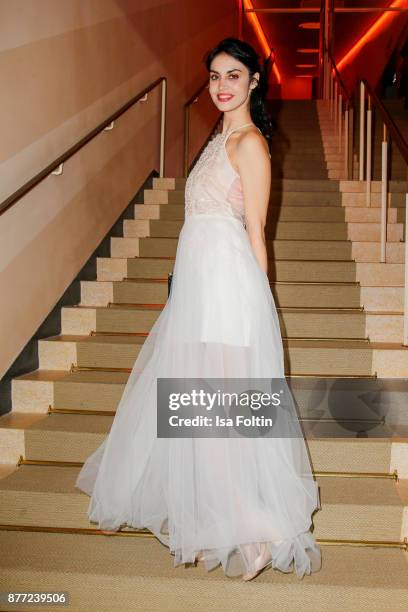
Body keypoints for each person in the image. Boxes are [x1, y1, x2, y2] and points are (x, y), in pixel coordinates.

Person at [75, 37, 322, 582]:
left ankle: (261, 528)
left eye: (233, 75)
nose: (221, 85)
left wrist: (262, 305)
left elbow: (257, 231)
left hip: (229, 288)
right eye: (214, 76)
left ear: (255, 82)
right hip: (198, 285)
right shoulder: (218, 138)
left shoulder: (250, 144)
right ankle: (226, 522)